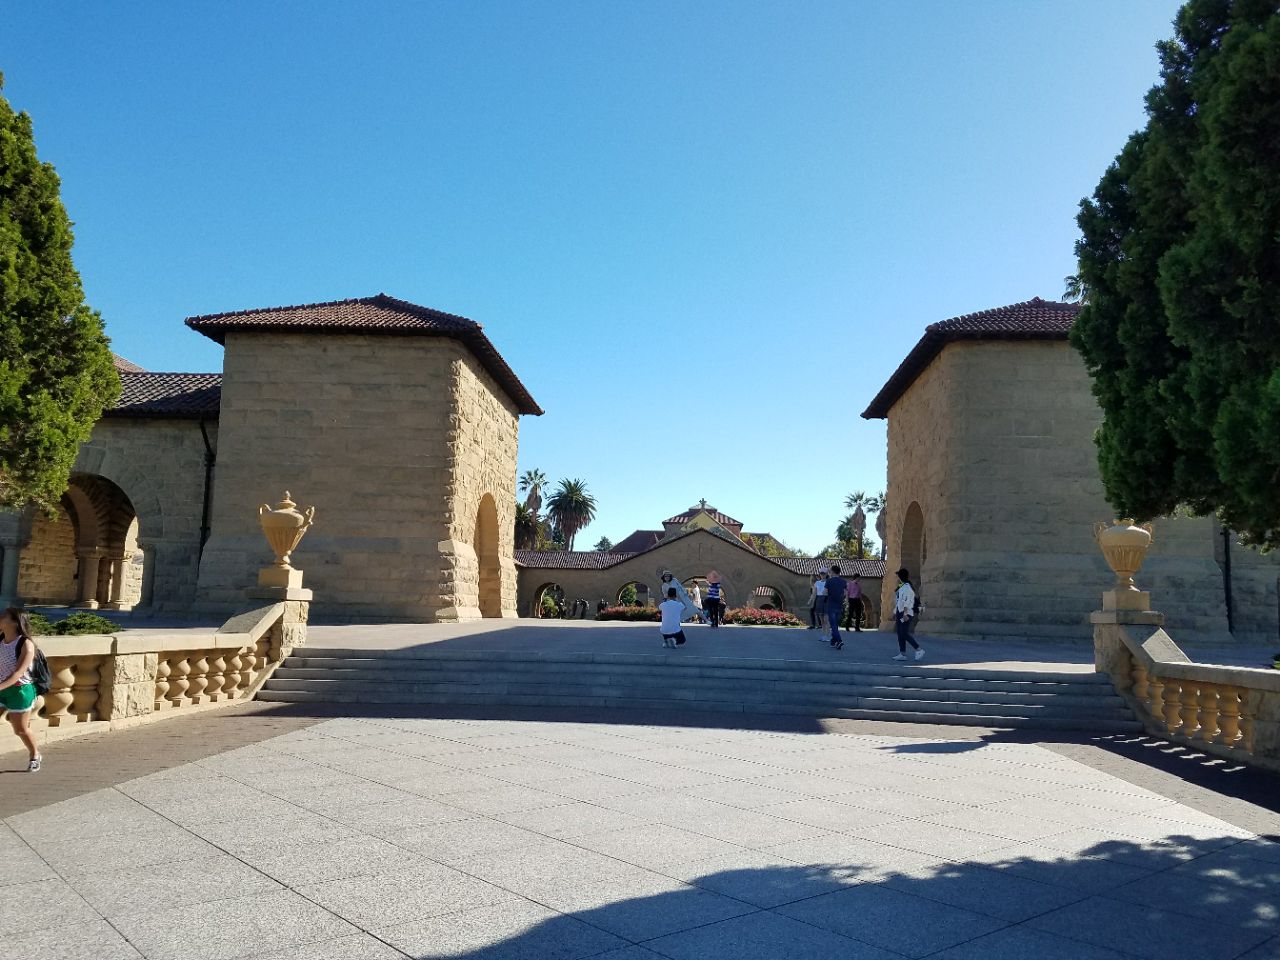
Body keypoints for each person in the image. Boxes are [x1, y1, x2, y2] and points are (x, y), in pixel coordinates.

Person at [0, 608, 41, 772]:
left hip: (20, 691)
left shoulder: (26, 644)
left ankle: (35, 755)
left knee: (20, 730)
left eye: (3, 616)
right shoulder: (1, 640)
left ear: (15, 622)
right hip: (2, 688)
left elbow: (18, 673)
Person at [892, 568, 925, 661]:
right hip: (900, 612)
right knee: (900, 633)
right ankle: (902, 654)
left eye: (898, 576)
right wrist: (895, 612)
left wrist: (905, 614)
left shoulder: (907, 588)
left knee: (904, 633)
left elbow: (907, 602)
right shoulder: (902, 586)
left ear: (900, 576)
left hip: (905, 613)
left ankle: (919, 649)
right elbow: (899, 601)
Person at [825, 564, 848, 649]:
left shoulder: (829, 581)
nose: (829, 572)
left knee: (833, 625)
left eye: (830, 571)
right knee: (836, 624)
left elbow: (825, 592)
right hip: (839, 605)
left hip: (831, 605)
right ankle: (833, 642)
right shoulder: (843, 581)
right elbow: (845, 593)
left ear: (833, 572)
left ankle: (839, 640)